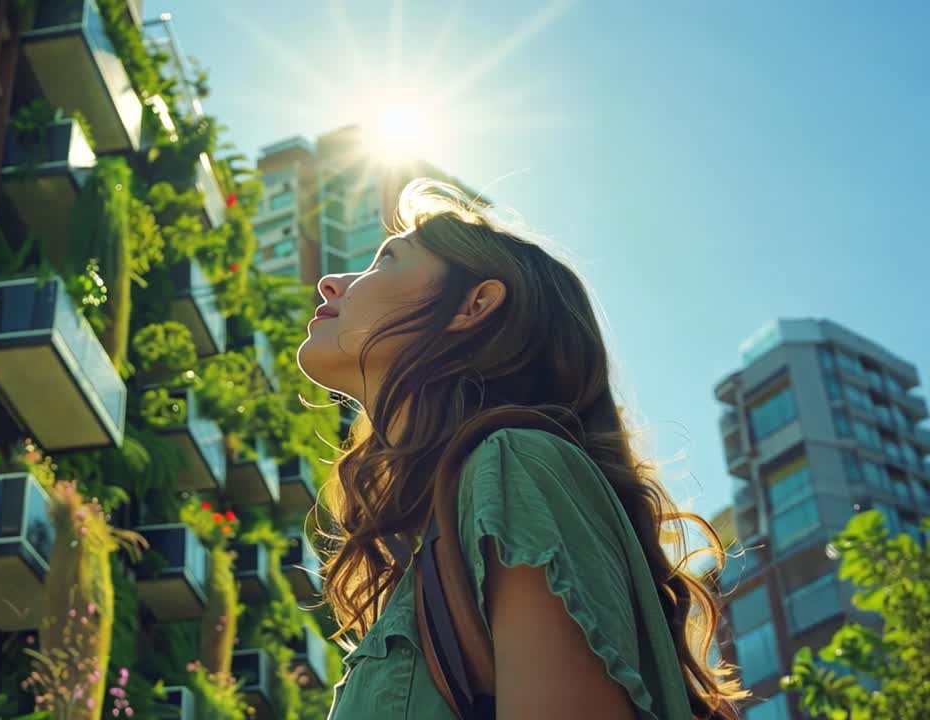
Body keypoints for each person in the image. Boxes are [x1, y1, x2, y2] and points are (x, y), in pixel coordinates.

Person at [297, 180, 748, 719]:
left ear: (474, 305)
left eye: (386, 260)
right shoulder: (446, 527)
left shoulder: (516, 466)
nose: (330, 283)